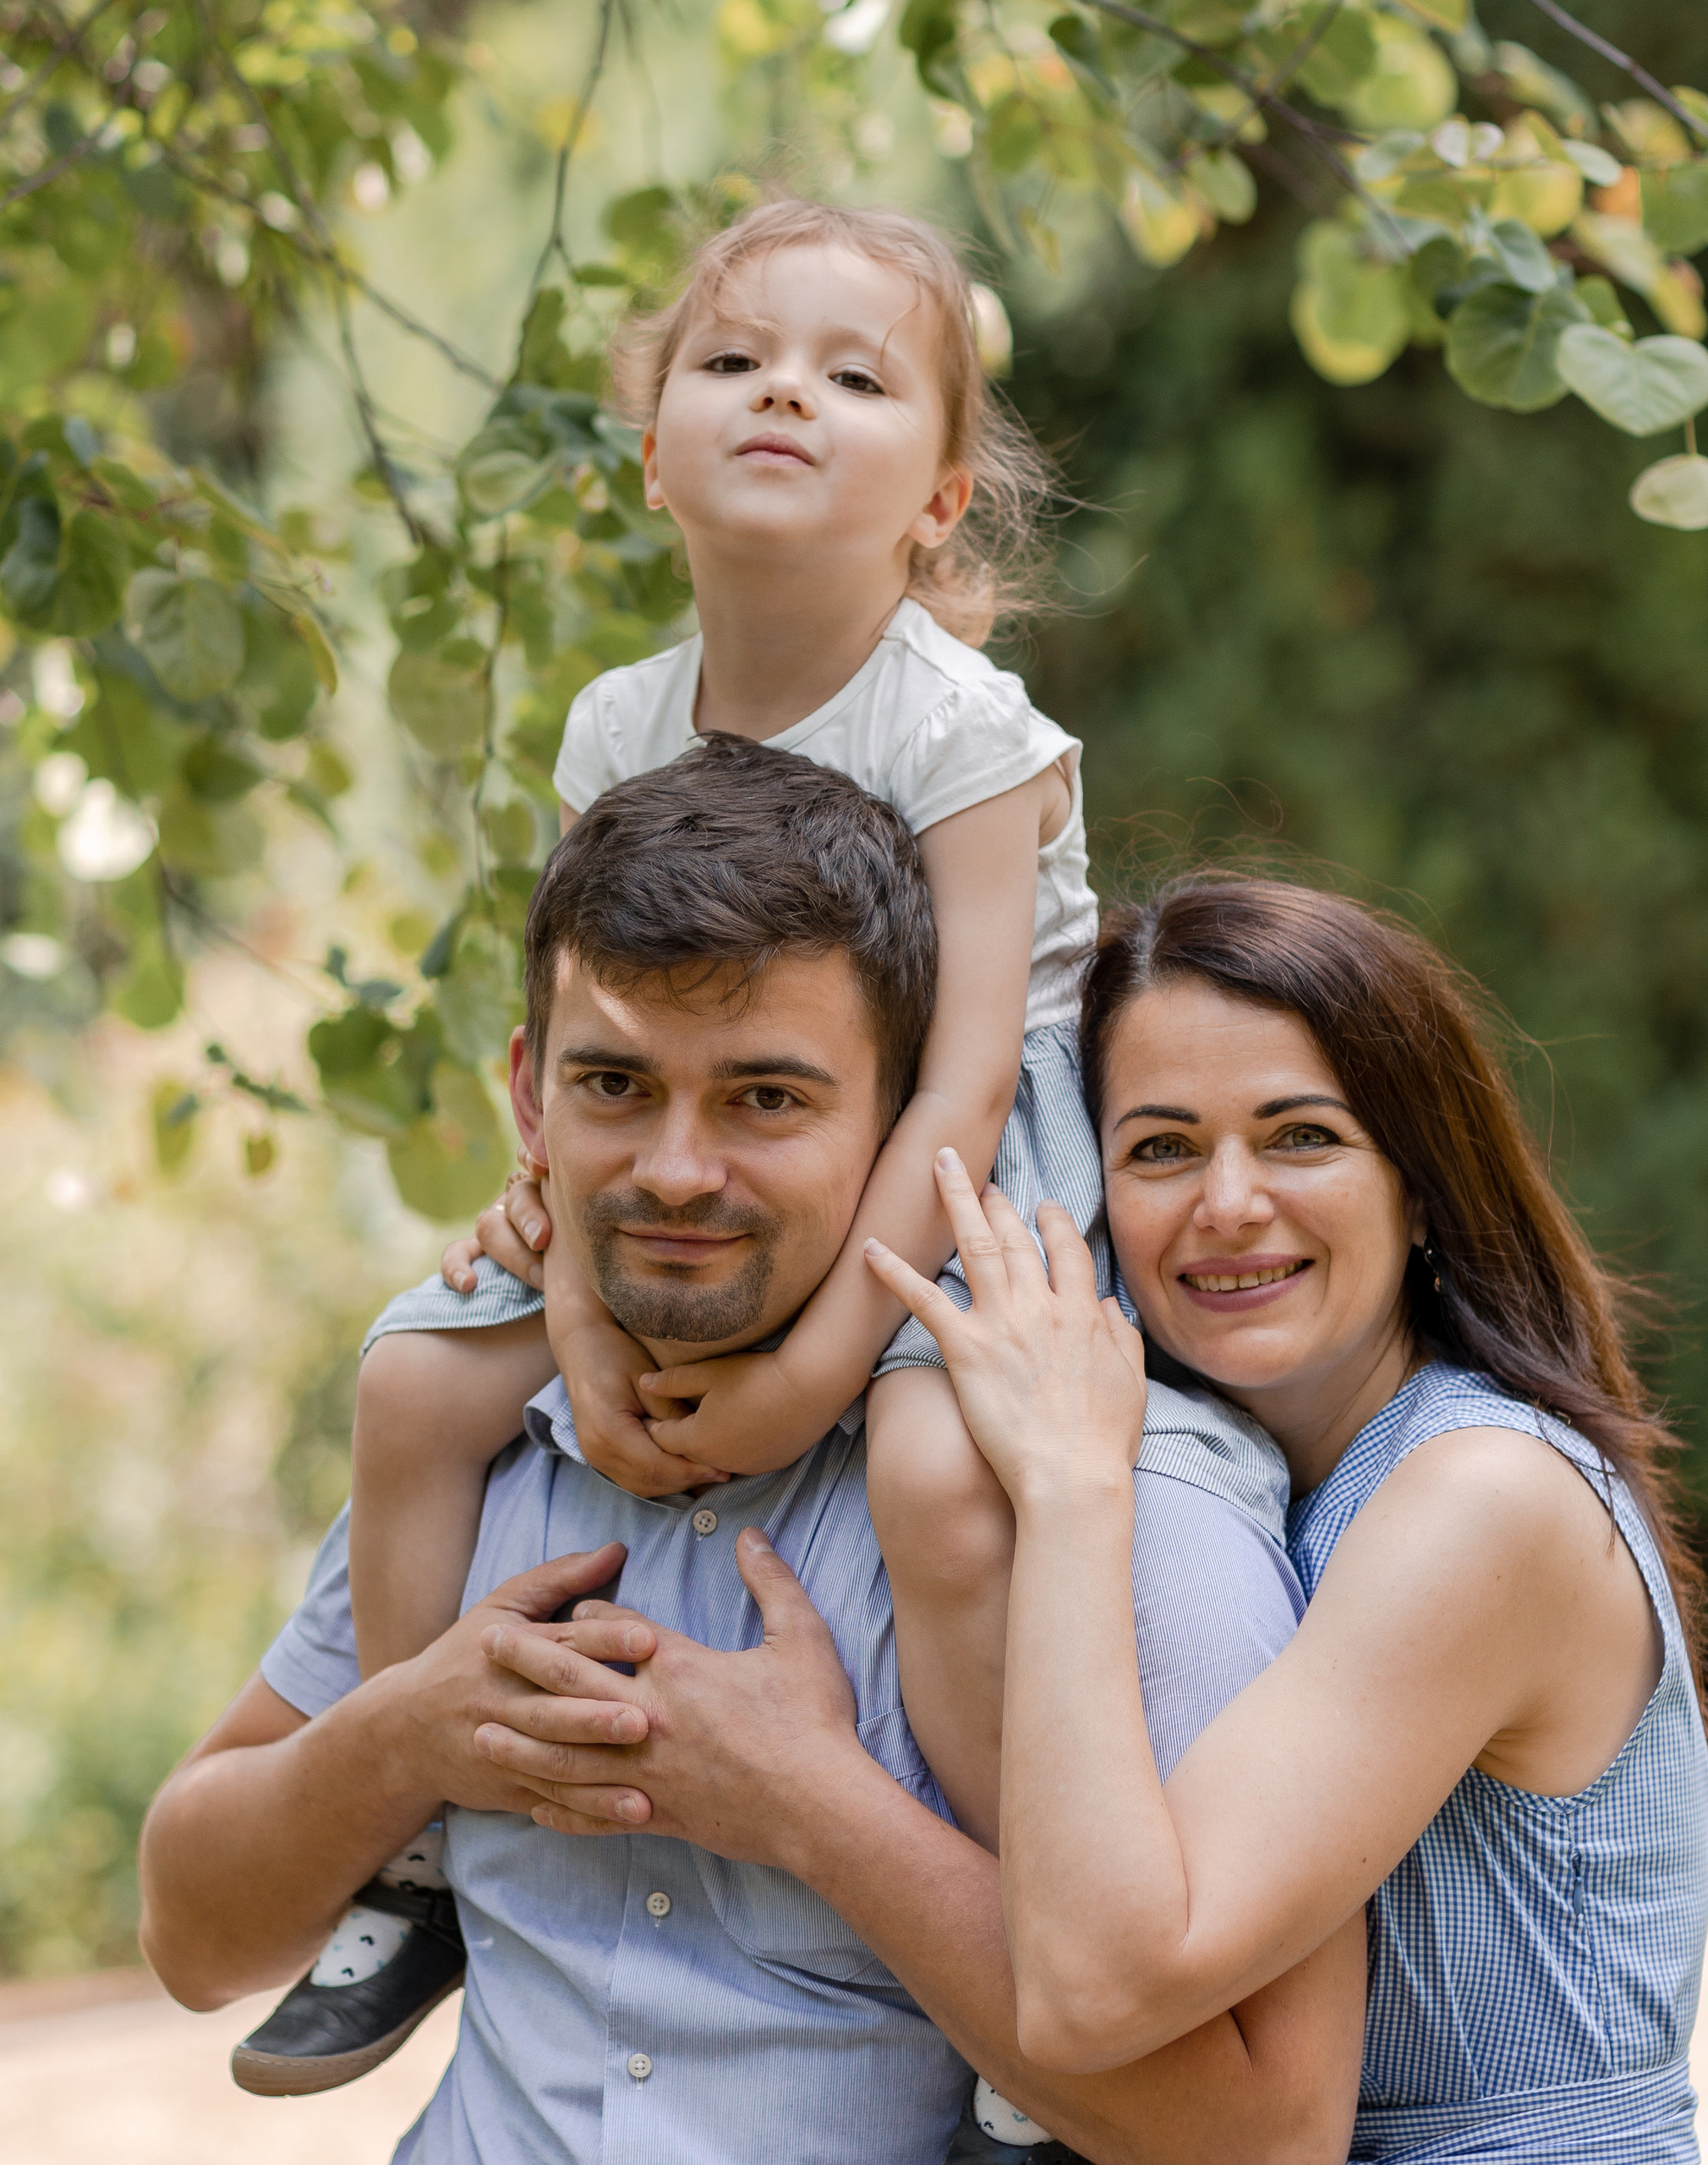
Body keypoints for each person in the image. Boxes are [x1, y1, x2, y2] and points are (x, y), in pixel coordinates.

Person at [234, 194, 1282, 2124]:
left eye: (852, 373)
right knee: (407, 1380)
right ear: (652, 452)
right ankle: (416, 1853)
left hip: (965, 1170)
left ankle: (1025, 1951)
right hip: (725, 1159)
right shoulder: (615, 721)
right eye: (731, 360)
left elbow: (966, 1070)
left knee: (920, 1461)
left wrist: (810, 1364)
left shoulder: (970, 731)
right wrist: (565, 1290)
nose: (781, 390)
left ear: (941, 494)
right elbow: (574, 1040)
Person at [140, 748, 1367, 2164]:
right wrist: (410, 1728)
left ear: (907, 1121)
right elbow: (193, 1936)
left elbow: (1266, 2142)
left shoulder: (1096, 1493)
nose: (674, 1168)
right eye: (615, 1085)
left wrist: (813, 1809)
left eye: (764, 1100)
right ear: (531, 1099)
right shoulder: (486, 1438)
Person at [493, 879, 1708, 2165]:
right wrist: (565, 1256)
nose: (1229, 1203)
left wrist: (1067, 1492)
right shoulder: (1276, 1486)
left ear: (1420, 1185)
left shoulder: (1484, 1499)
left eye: (1301, 1137)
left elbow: (1095, 1987)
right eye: (1161, 1148)